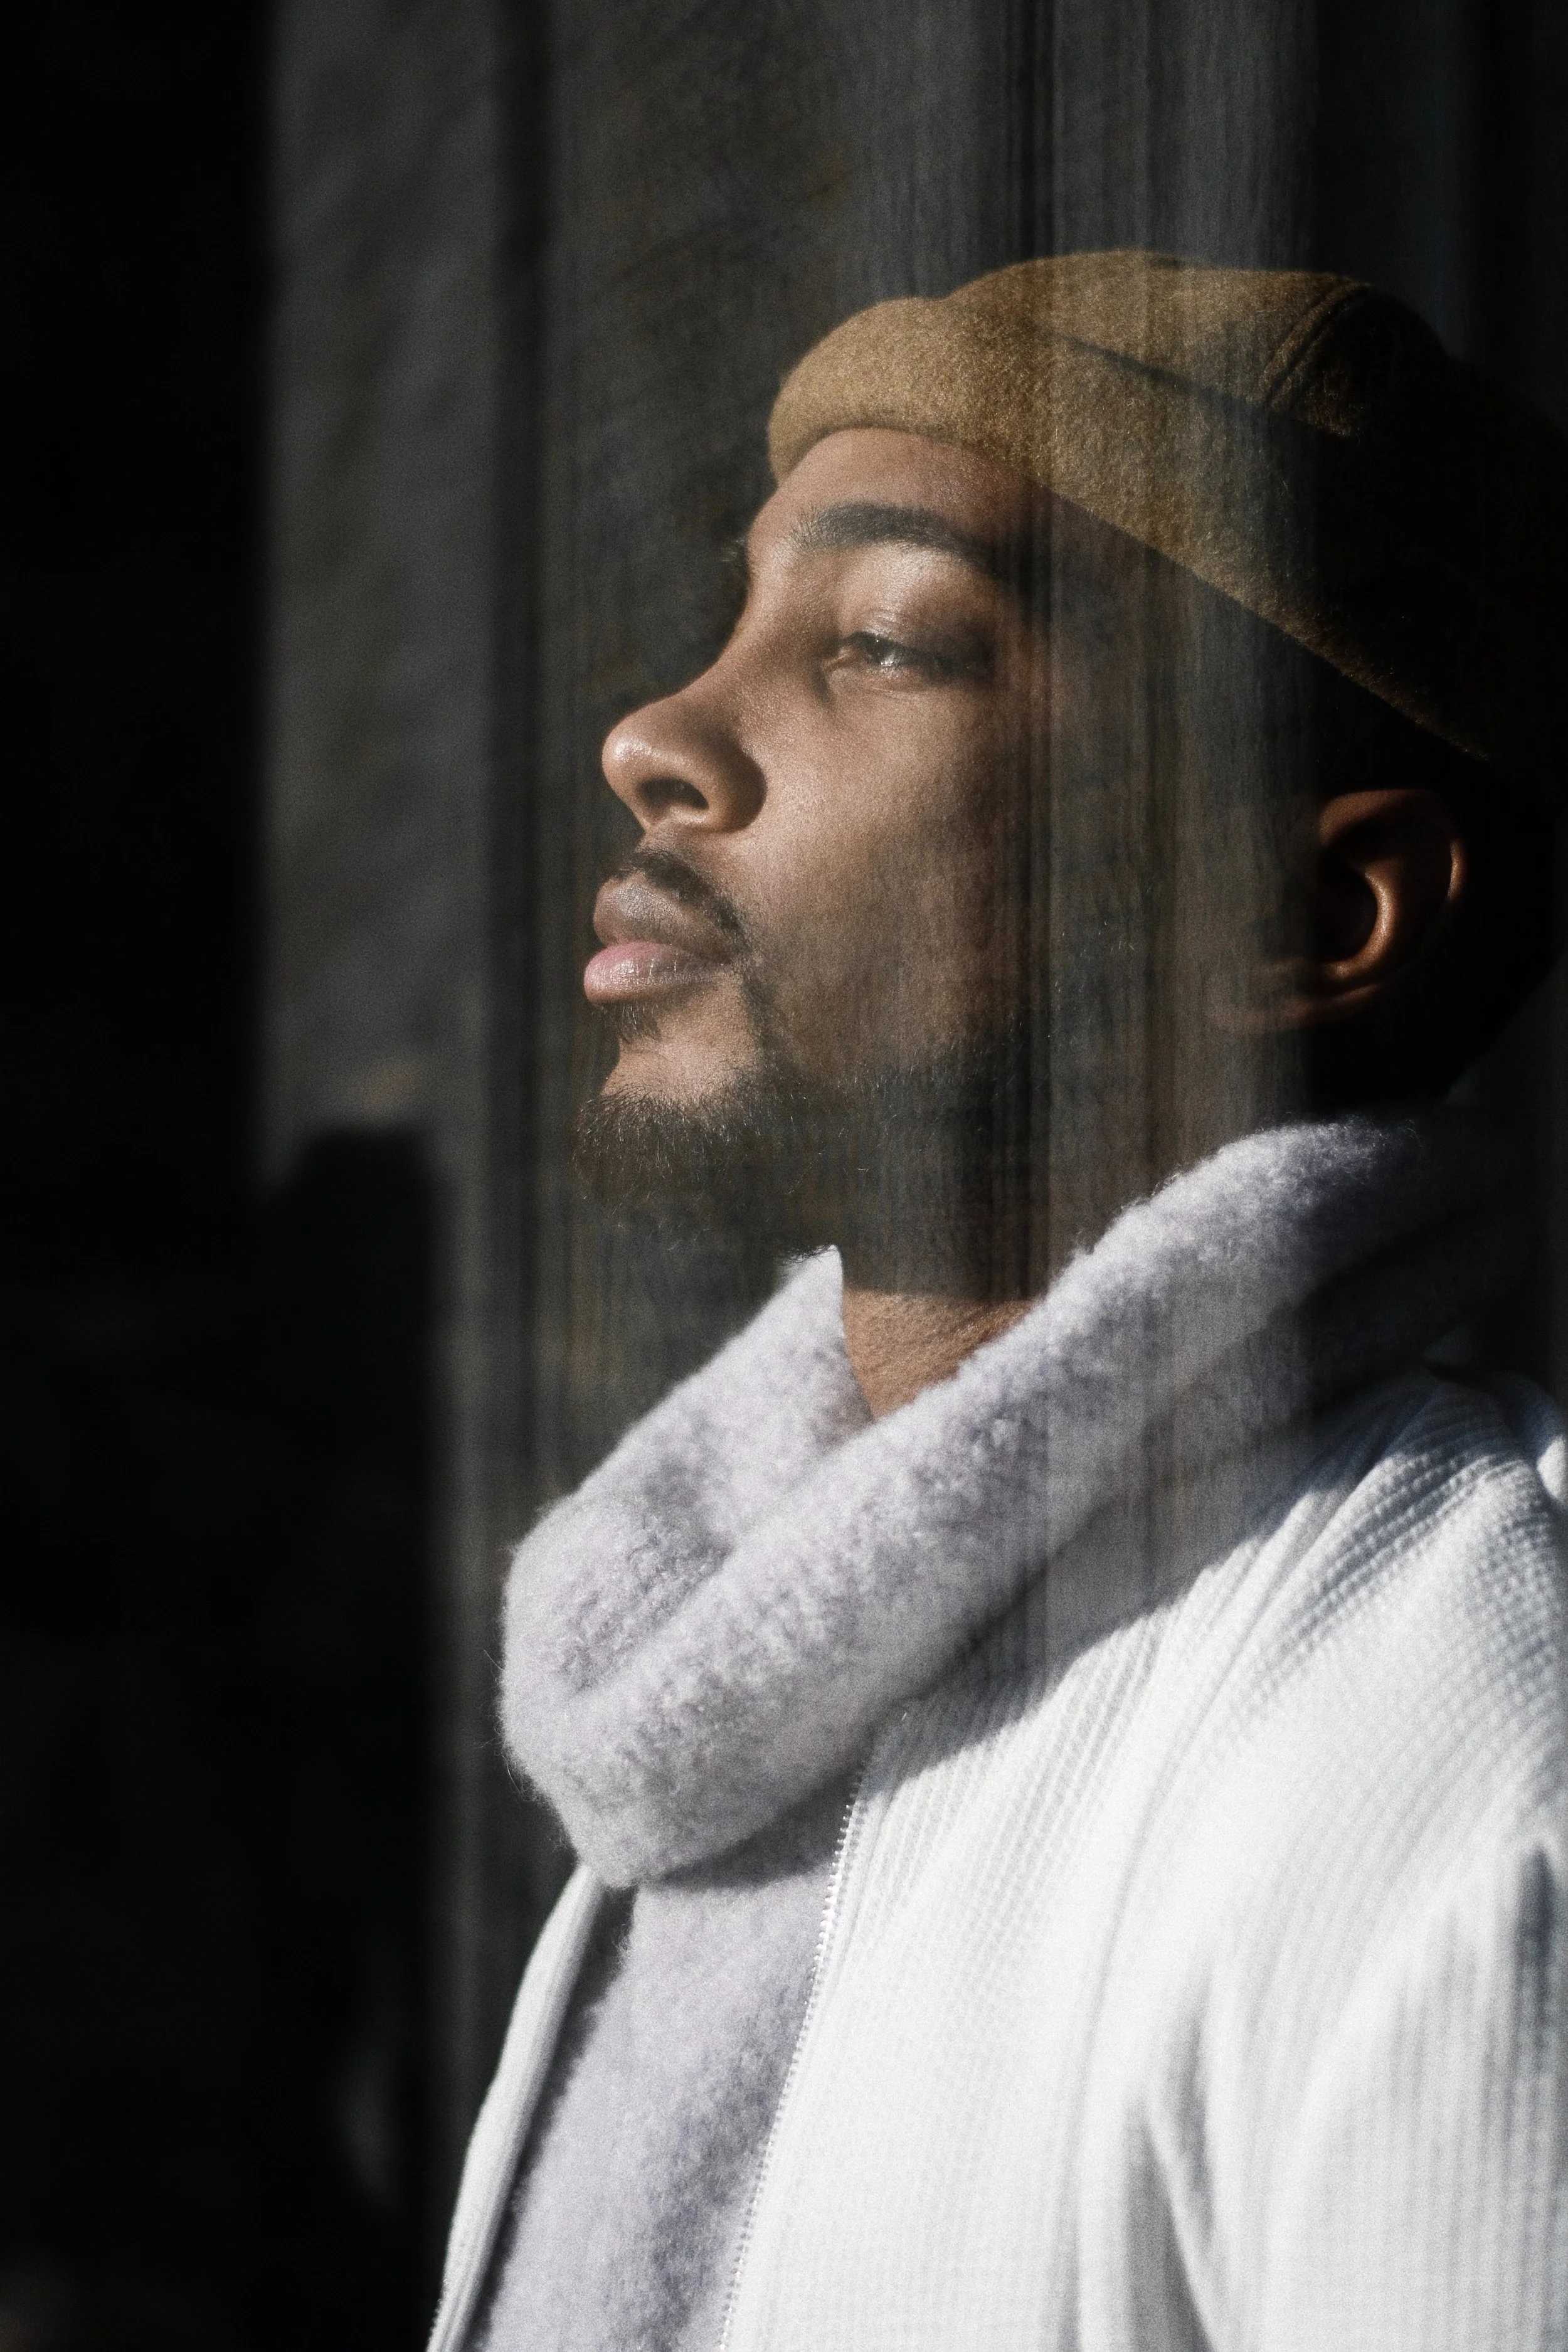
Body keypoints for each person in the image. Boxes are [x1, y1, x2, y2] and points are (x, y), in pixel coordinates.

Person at [429, 252, 1568, 2351]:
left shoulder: (1455, 1744)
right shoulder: (713, 1700)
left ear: (1306, 913)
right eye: (735, 618)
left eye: (878, 641)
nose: (654, 736)